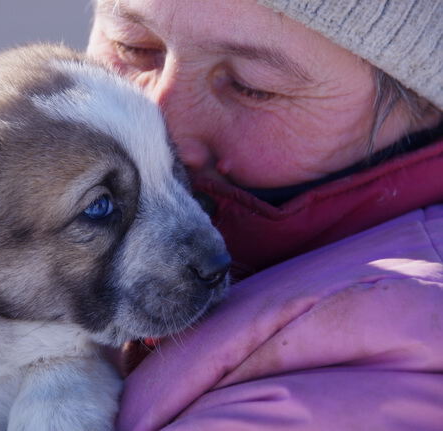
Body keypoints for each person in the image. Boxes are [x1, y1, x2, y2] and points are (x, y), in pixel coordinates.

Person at [86, 0, 443, 429]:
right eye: (133, 47)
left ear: (425, 106)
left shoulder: (381, 362)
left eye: (252, 87)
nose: (160, 128)